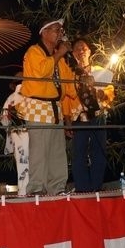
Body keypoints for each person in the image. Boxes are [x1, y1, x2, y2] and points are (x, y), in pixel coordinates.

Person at [18, 18, 77, 195]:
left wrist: (82, 79)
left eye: (61, 30)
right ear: (44, 32)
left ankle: (57, 188)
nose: (60, 33)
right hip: (38, 107)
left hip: (55, 108)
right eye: (55, 29)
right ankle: (37, 189)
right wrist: (59, 54)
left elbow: (69, 87)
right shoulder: (34, 52)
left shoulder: (59, 59)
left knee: (57, 151)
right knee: (40, 151)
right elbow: (41, 73)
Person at [62, 37, 115, 192]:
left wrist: (103, 96)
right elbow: (65, 97)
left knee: (99, 151)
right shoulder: (70, 74)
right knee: (78, 154)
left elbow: (110, 90)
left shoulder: (99, 70)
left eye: (83, 48)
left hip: (97, 115)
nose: (81, 51)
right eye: (77, 49)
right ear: (73, 53)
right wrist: (66, 119)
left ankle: (96, 187)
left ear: (89, 51)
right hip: (78, 117)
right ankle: (83, 188)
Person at [0, 72, 30, 196]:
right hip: (31, 130)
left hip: (17, 132)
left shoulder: (11, 98)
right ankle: (31, 188)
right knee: (34, 160)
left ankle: (23, 190)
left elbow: (3, 120)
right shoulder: (31, 95)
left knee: (22, 162)